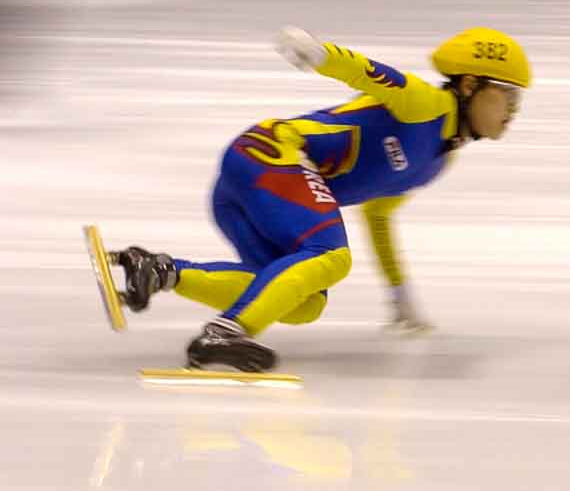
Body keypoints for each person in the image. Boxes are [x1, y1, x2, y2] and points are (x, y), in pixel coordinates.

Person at [109, 26, 530, 372]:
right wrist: (318, 54)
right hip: (272, 155)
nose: (513, 111)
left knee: (302, 304)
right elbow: (369, 73)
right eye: (507, 96)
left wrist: (399, 292)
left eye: (518, 101)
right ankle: (223, 334)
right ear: (471, 85)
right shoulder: (426, 104)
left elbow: (378, 215)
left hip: (253, 184)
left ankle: (159, 271)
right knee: (331, 256)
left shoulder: (440, 160)